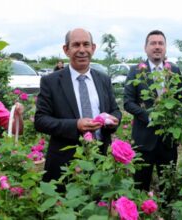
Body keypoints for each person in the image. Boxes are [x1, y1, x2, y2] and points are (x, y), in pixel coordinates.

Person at [34, 28, 121, 187]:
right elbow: (40, 120)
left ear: (93, 48)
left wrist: (115, 119)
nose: (82, 50)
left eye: (86, 44)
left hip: (101, 160)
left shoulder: (103, 80)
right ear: (66, 50)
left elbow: (115, 110)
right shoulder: (51, 82)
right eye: (76, 45)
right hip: (65, 165)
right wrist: (75, 125)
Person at [124, 30, 181, 191]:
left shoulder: (174, 71)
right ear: (145, 47)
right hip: (143, 141)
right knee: (140, 187)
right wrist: (149, 116)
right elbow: (128, 102)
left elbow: (181, 100)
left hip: (168, 142)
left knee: (168, 187)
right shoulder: (135, 71)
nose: (157, 47)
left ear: (165, 47)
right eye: (153, 43)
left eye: (160, 43)